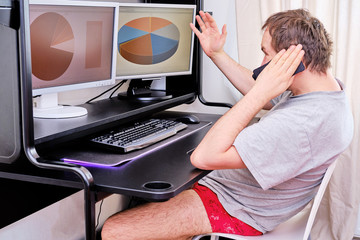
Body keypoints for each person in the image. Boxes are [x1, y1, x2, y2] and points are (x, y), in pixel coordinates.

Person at [101, 9, 353, 240]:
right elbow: (260, 88)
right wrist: (217, 54)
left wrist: (257, 95)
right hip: (242, 195)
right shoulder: (323, 91)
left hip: (234, 206)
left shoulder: (301, 125)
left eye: (266, 53)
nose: (261, 64)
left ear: (294, 62)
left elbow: (204, 157)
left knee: (114, 230)